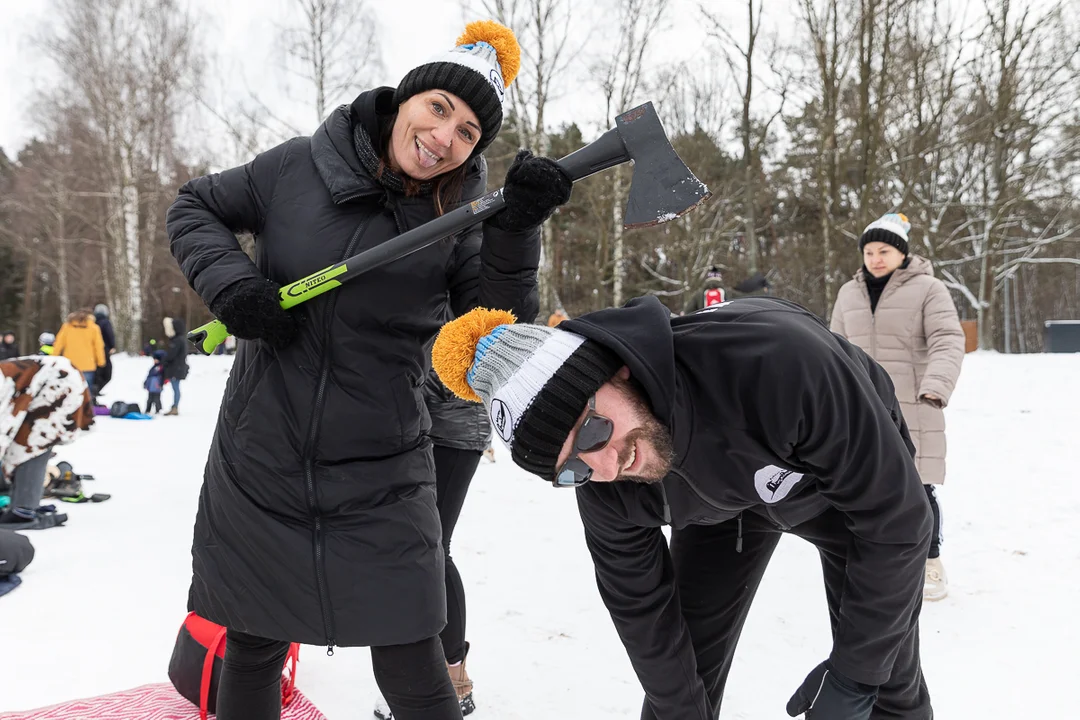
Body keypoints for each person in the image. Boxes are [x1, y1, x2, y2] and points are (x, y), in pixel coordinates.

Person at [165, 20, 567, 720]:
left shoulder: (466, 217)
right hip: (263, 455)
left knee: (414, 653)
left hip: (383, 469)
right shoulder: (296, 167)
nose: (445, 137)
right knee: (254, 646)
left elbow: (491, 330)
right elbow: (194, 204)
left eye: (469, 132)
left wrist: (516, 230)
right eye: (439, 109)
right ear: (405, 99)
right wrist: (233, 286)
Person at [431, 295, 937, 720]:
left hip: (832, 485)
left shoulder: (781, 364)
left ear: (617, 371)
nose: (605, 465)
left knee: (882, 662)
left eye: (592, 428)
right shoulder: (606, 481)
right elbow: (643, 610)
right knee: (681, 679)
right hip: (714, 508)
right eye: (571, 469)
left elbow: (897, 524)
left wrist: (853, 678)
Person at [830, 213, 964, 602]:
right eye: (869, 251)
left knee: (917, 488)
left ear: (902, 253)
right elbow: (834, 349)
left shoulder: (928, 289)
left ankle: (930, 562)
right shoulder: (847, 293)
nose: (875, 257)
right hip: (861, 407)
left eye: (884, 250)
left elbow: (947, 339)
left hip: (913, 404)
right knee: (858, 486)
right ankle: (872, 563)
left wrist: (935, 386)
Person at [375, 356, 492, 720]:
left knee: (434, 547)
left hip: (452, 425)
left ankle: (453, 675)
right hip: (425, 421)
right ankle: (424, 673)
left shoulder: (455, 301)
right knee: (416, 548)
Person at [0, 356, 94, 530]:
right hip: (49, 383)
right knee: (24, 448)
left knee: (30, 446)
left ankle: (23, 511)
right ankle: (21, 505)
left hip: (59, 385)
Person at [51, 309, 106, 399]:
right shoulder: (94, 328)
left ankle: (71, 410)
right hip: (88, 365)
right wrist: (101, 362)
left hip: (70, 365)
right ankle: (86, 410)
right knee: (86, 393)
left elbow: (58, 344)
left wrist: (52, 359)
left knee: (70, 390)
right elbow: (98, 346)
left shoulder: (67, 327)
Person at [161, 317, 188, 416]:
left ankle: (175, 407)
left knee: (176, 388)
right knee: (176, 388)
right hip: (179, 367)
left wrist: (164, 360)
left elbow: (171, 355)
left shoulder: (177, 341)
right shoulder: (182, 339)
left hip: (176, 368)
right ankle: (174, 406)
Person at [93, 304, 117, 395]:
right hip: (104, 351)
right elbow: (109, 335)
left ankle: (94, 391)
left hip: (93, 353)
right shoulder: (105, 322)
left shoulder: (92, 323)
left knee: (96, 374)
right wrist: (112, 346)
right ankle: (95, 391)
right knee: (107, 373)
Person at [144, 350, 167, 414]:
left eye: (156, 359)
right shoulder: (153, 368)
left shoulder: (161, 368)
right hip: (151, 386)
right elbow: (149, 376)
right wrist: (146, 383)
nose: (154, 360)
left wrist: (161, 384)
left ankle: (158, 409)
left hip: (157, 386)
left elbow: (163, 377)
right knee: (149, 399)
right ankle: (147, 409)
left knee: (157, 399)